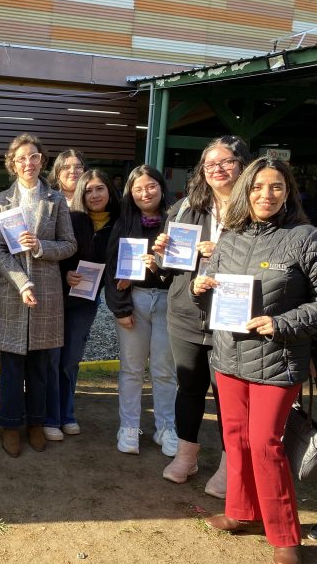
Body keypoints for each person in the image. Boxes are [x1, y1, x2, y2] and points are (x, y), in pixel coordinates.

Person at [193, 157, 314, 564]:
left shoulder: (305, 237)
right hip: (229, 357)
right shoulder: (230, 236)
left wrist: (281, 323)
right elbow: (212, 293)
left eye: (276, 186)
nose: (266, 194)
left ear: (288, 191)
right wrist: (200, 288)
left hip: (278, 359)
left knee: (265, 444)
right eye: (258, 186)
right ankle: (241, 511)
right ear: (246, 191)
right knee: (236, 438)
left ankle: (284, 535)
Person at [155, 136, 251, 496]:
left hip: (232, 314)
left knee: (228, 394)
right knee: (189, 387)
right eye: (210, 164)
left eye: (226, 162)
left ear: (242, 165)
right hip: (186, 312)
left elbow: (267, 259)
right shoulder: (186, 207)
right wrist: (161, 252)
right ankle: (187, 454)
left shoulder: (255, 207)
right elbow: (167, 266)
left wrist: (222, 251)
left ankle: (230, 464)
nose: (217, 169)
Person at [0, 133, 77, 458]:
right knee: (11, 364)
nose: (28, 163)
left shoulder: (56, 200)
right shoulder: (0, 201)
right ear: (12, 164)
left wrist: (41, 247)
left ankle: (36, 423)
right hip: (11, 291)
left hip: (47, 292)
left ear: (42, 160)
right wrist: (21, 282)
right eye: (21, 158)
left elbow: (69, 244)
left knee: (41, 363)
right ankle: (10, 425)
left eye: (34, 156)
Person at [105, 165, 176, 456]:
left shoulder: (176, 221)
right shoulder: (124, 222)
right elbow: (112, 269)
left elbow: (185, 271)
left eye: (151, 186)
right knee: (132, 369)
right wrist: (120, 308)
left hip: (169, 302)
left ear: (161, 187)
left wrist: (159, 267)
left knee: (164, 370)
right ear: (130, 193)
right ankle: (129, 426)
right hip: (134, 301)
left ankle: (166, 427)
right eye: (138, 189)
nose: (145, 193)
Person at [47, 169, 120, 438]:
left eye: (100, 188)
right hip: (57, 297)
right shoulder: (71, 219)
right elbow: (55, 254)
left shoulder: (120, 223)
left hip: (85, 302)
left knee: (70, 359)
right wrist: (65, 273)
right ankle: (50, 417)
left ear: (109, 191)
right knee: (51, 358)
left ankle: (66, 414)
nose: (94, 195)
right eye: (88, 190)